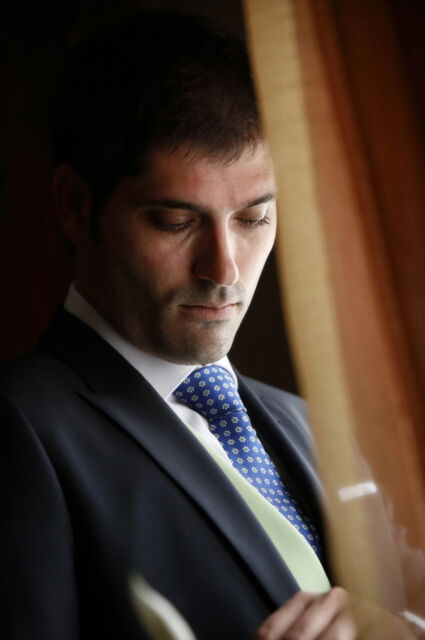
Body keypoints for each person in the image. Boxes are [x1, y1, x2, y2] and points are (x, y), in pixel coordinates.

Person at [0, 9, 423, 640]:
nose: (224, 268)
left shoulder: (313, 425)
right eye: (175, 222)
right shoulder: (18, 428)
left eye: (254, 219)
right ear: (75, 207)